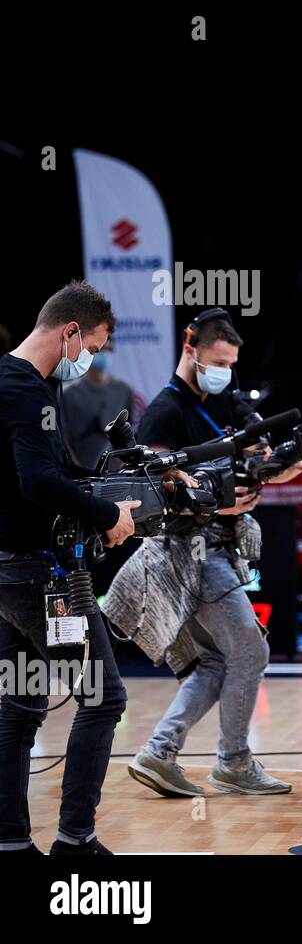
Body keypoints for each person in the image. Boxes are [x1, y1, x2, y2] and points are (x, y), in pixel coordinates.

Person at [112, 308, 302, 799]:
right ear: (189, 347)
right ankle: (233, 762)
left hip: (217, 547)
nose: (224, 372)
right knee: (251, 651)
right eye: (216, 361)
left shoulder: (226, 400)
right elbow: (154, 489)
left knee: (213, 663)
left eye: (231, 363)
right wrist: (216, 500)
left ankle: (159, 753)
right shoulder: (166, 410)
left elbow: (253, 467)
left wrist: (285, 468)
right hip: (187, 552)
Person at [0, 281, 134, 856]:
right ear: (70, 331)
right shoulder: (27, 391)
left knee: (20, 703)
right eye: (95, 348)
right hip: (41, 576)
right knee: (103, 699)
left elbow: (54, 471)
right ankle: (75, 840)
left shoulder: (18, 381)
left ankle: (10, 841)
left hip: (10, 571)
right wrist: (107, 513)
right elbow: (36, 482)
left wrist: (116, 489)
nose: (93, 360)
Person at [60, 345, 135, 469]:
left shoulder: (124, 391)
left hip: (114, 475)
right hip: (80, 472)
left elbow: (129, 431)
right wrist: (76, 468)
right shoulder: (68, 394)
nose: (104, 353)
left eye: (108, 348)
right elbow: (63, 437)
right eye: (99, 349)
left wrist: (123, 464)